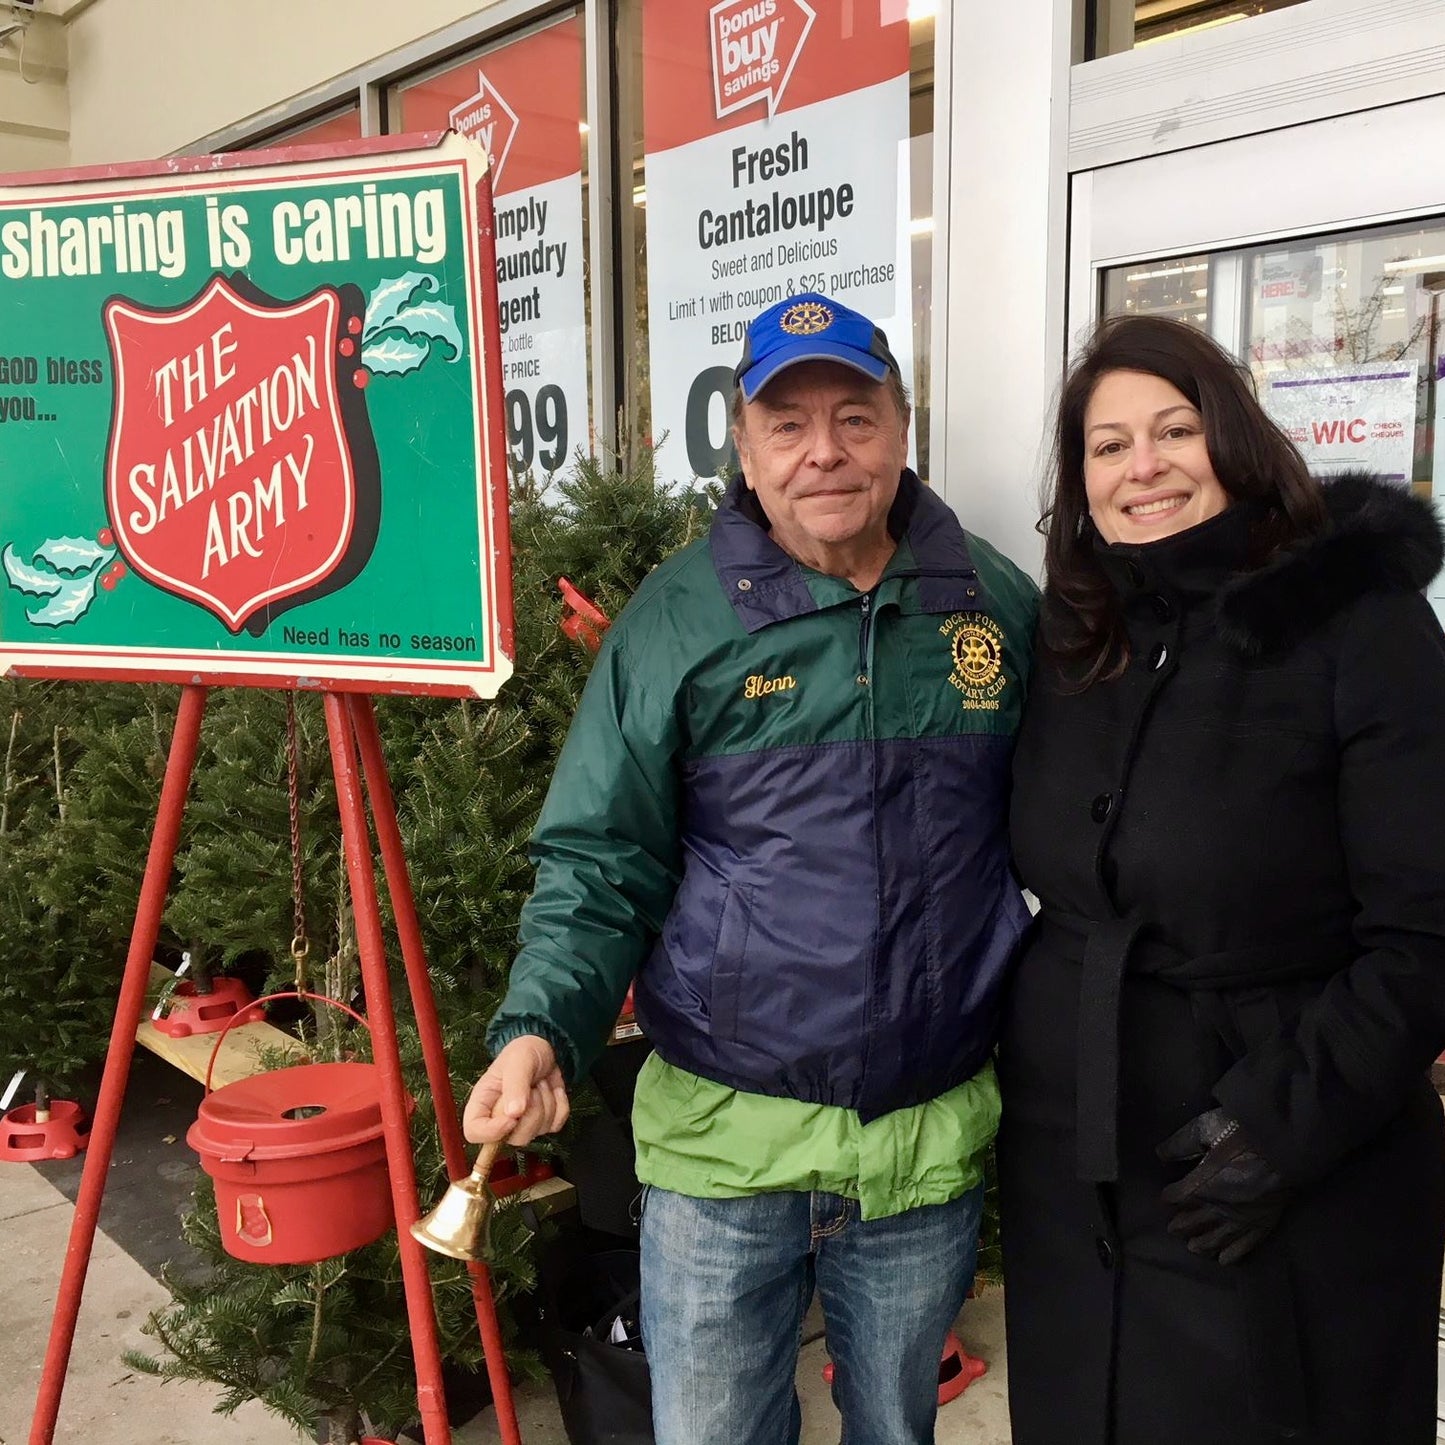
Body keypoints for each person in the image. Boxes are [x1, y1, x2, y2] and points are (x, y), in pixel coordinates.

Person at [462, 291, 1038, 1445]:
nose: (824, 450)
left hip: (921, 1146)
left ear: (900, 428)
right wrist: (539, 1027)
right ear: (743, 443)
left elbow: (1071, 834)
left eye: (854, 417)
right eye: (788, 423)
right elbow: (599, 858)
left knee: (897, 1430)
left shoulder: (986, 602)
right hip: (724, 1146)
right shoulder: (676, 623)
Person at [1000, 312, 1445, 1444]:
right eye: (1106, 446)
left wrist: (1282, 1125)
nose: (1141, 466)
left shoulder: (1355, 620)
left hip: (1275, 1171)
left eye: (1173, 430)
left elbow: (1426, 926)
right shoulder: (1074, 632)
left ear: (1233, 440)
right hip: (1075, 1176)